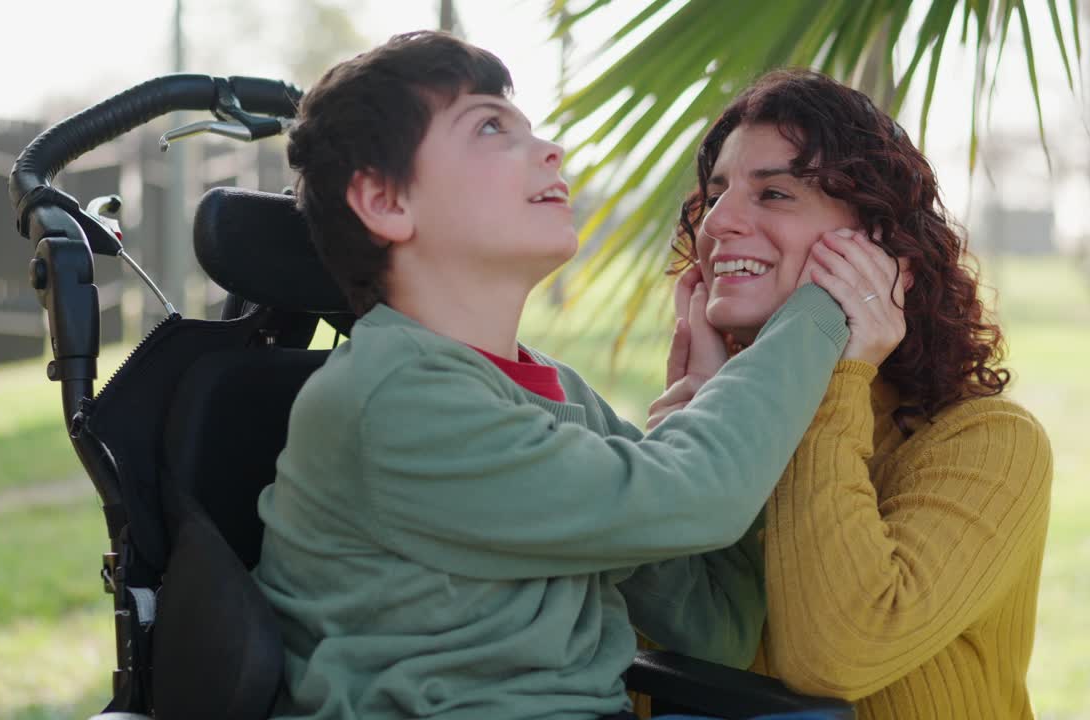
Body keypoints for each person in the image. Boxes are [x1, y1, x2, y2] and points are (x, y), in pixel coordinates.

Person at [252, 32, 855, 720]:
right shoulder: (393, 400)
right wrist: (829, 297)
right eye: (488, 127)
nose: (549, 150)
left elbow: (717, 626)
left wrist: (709, 399)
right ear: (386, 201)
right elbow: (701, 493)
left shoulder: (553, 394)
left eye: (529, 128)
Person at [651, 69, 1054, 719]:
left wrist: (836, 372)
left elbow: (837, 654)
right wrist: (695, 431)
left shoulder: (989, 442)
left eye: (775, 193)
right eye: (717, 192)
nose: (719, 222)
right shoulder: (706, 416)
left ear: (886, 254)